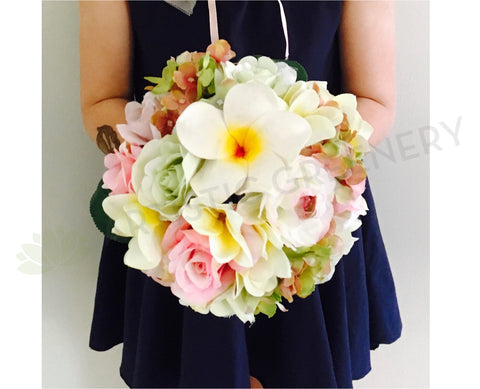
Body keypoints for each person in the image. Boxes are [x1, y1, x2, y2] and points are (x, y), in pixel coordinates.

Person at [79, 1, 401, 388]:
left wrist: (298, 175)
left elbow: (375, 100)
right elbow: (101, 100)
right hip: (180, 232)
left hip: (304, 217)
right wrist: (179, 173)